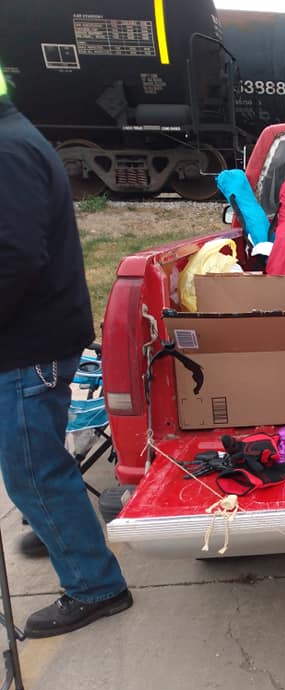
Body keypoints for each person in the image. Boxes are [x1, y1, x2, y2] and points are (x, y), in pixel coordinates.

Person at [0, 68, 133, 638]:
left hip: (27, 343)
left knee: (33, 470)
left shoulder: (7, 151)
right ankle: (59, 523)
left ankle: (94, 585)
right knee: (38, 463)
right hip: (35, 337)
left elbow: (14, 256)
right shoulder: (16, 139)